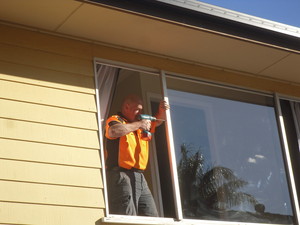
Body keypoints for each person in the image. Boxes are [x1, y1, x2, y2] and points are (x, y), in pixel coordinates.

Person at [105, 94, 169, 216]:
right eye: (138, 109)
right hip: (120, 174)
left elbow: (158, 121)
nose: (140, 112)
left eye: (141, 109)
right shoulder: (116, 119)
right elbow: (113, 131)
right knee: (128, 215)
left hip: (140, 176)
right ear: (127, 107)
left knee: (151, 216)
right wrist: (139, 124)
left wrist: (161, 111)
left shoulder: (140, 124)